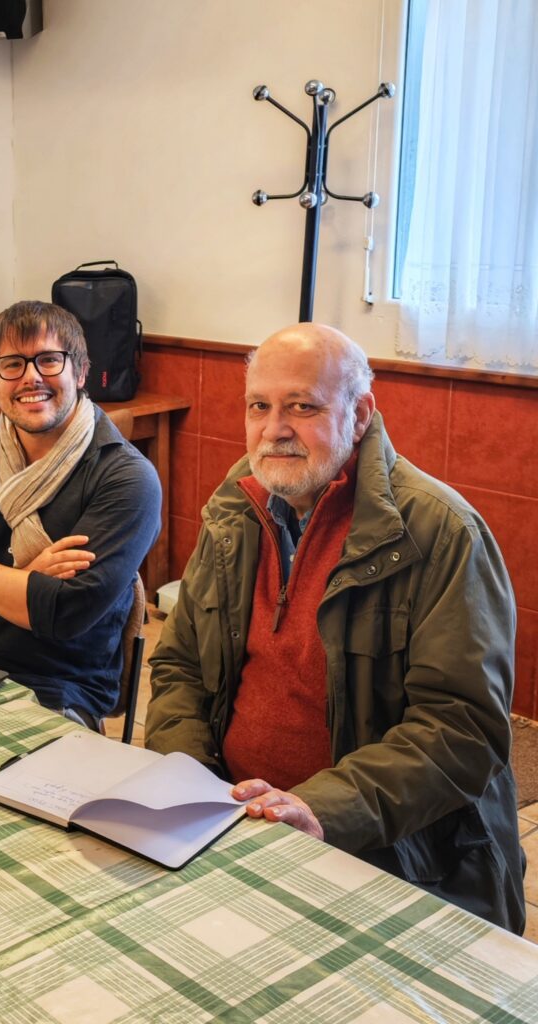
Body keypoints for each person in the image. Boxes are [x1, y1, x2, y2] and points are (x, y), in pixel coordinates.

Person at [145, 322, 525, 933]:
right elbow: (179, 665)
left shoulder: (441, 533)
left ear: (360, 414)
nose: (275, 429)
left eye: (303, 407)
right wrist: (191, 781)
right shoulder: (235, 509)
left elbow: (461, 730)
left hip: (393, 853)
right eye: (259, 406)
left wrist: (318, 809)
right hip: (231, 823)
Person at [0, 300, 161, 727]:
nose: (31, 377)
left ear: (80, 372)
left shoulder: (127, 478)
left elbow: (61, 614)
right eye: (12, 364)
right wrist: (27, 580)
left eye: (49, 360)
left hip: (57, 685)